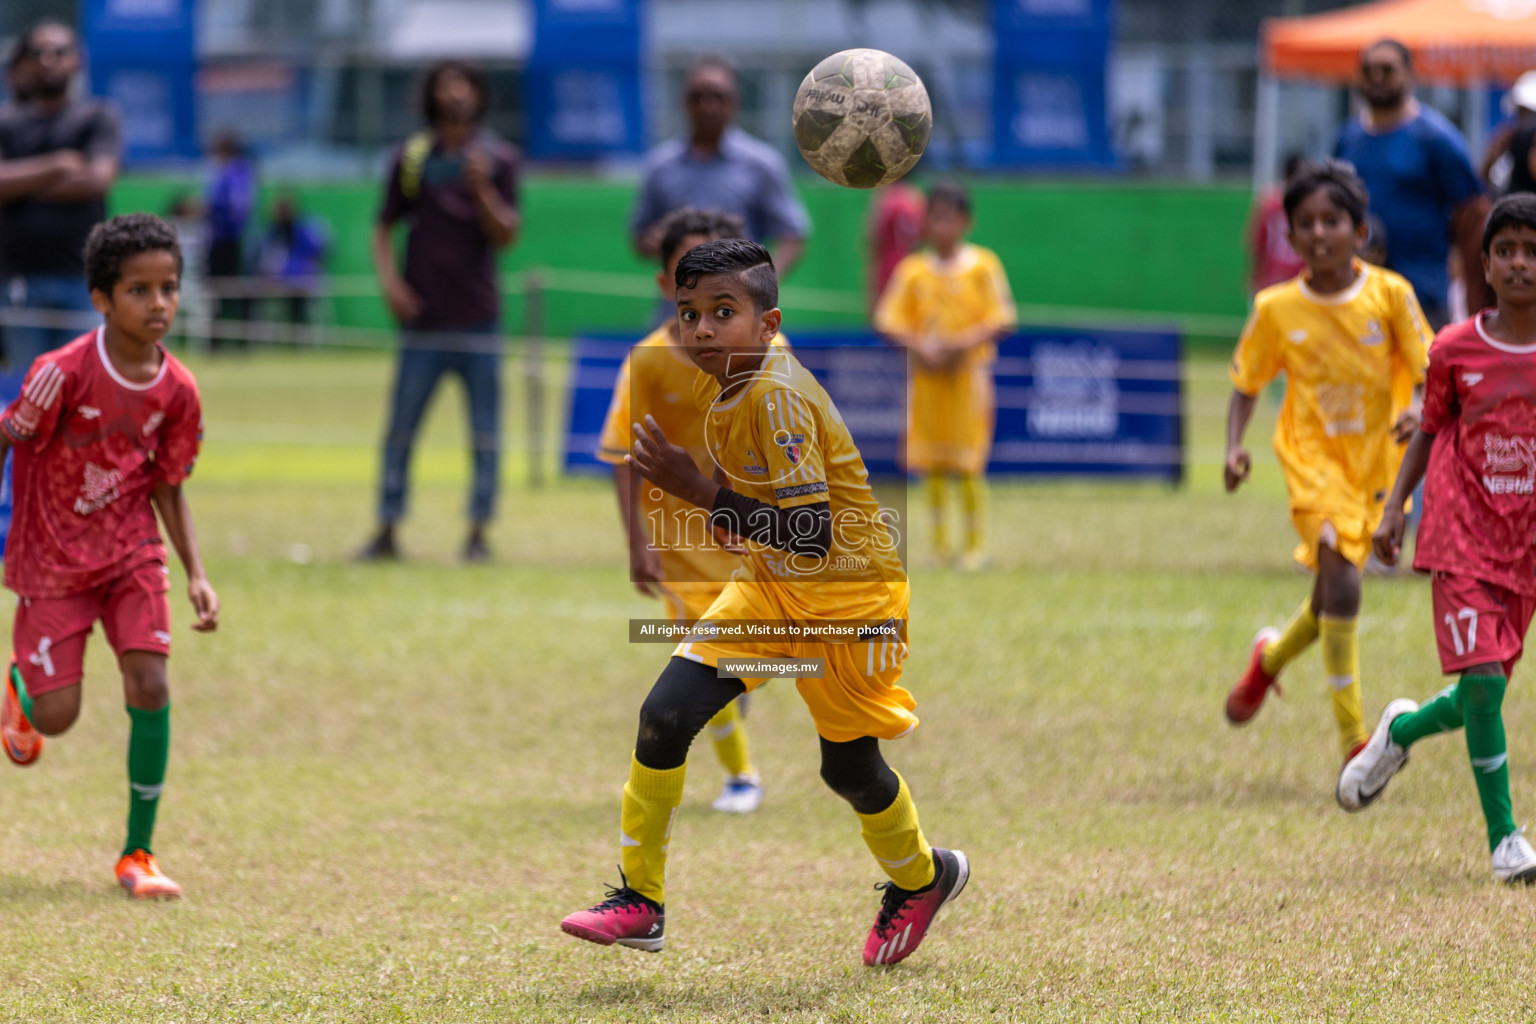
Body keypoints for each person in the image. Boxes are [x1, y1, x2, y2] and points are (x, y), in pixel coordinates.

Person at [559, 239, 967, 966]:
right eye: (689, 314)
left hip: (851, 602)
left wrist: (699, 493)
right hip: (771, 588)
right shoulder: (732, 386)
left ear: (769, 322)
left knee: (848, 770)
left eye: (723, 312)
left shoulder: (777, 395)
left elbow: (811, 535)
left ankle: (925, 877)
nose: (702, 329)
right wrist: (723, 508)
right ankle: (640, 900)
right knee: (664, 715)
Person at [0, 213, 218, 899]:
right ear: (100, 297)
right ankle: (20, 690)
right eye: (139, 290)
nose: (158, 304)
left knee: (150, 684)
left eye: (169, 289)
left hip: (131, 553)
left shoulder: (178, 390)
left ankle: (138, 854)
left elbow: (168, 484)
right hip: (54, 561)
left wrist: (197, 575)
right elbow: (8, 438)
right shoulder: (58, 373)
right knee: (57, 719)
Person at [1337, 193, 1536, 884]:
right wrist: (1395, 509)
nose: (1519, 264)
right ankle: (1506, 840)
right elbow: (1429, 429)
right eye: (1506, 251)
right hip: (1460, 535)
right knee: (1482, 683)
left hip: (1527, 547)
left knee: (1479, 699)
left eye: (1532, 252)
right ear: (1484, 264)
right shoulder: (1454, 348)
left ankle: (1401, 730)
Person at [1222, 159, 1431, 778]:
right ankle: (1355, 742)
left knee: (1331, 591)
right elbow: (1245, 381)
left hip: (1377, 463)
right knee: (1344, 581)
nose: (1319, 233)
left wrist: (1418, 406)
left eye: (1332, 221)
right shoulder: (1277, 307)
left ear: (1359, 230)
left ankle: (1269, 660)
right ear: (1289, 234)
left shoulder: (1390, 295)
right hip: (1312, 464)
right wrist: (1234, 446)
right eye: (1305, 223)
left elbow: (1425, 366)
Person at [596, 207, 777, 814]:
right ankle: (742, 777)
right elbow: (621, 454)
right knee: (708, 657)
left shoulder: (765, 349)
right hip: (683, 547)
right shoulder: (646, 363)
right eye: (687, 274)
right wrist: (637, 545)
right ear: (664, 286)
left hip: (756, 535)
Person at [358, 60, 520, 563]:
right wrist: (391, 284)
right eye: (445, 85)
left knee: (486, 432)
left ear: (477, 95)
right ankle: (386, 528)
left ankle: (478, 533)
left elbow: (508, 234)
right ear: (432, 96)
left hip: (479, 320)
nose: (455, 94)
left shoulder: (499, 159)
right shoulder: (410, 158)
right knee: (401, 428)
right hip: (422, 321)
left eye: (464, 85)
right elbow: (383, 226)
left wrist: (482, 189)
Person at [874, 182, 1017, 571]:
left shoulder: (983, 265)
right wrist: (919, 347)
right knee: (932, 462)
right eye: (933, 217)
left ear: (965, 221)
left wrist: (963, 344)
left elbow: (1003, 318)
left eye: (949, 217)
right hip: (926, 379)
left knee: (968, 463)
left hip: (968, 378)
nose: (940, 226)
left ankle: (974, 547)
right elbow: (887, 319)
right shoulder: (913, 270)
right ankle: (939, 547)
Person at [1335, 39, 1487, 328]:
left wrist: (1461, 265)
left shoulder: (1437, 138)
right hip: (1356, 289)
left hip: (1421, 291)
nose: (1377, 77)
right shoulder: (1347, 137)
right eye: (1368, 70)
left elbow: (1472, 209)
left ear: (1409, 75)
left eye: (1387, 69)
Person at [0, 19, 122, 369]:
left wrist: (19, 186)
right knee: (30, 394)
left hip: (83, 281)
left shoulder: (97, 117)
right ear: (25, 62)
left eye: (59, 52)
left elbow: (97, 180)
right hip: (19, 281)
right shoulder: (7, 125)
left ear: (77, 60)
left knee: (82, 394)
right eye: (39, 52)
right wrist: (58, 165)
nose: (48, 60)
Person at [630, 56, 809, 277]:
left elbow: (792, 235)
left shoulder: (761, 163)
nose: (708, 106)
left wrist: (760, 286)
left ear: (735, 102)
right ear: (683, 102)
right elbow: (640, 239)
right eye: (698, 97)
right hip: (676, 304)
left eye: (718, 96)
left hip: (738, 306)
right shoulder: (661, 165)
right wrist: (653, 241)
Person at [203, 132, 256, 347]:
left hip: (230, 241)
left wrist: (210, 209)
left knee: (231, 289)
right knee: (218, 290)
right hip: (222, 240)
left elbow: (238, 209)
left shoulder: (235, 172)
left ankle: (241, 341)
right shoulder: (226, 172)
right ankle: (219, 341)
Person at [257, 194, 330, 331]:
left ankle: (299, 333)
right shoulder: (273, 232)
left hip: (303, 280)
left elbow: (319, 253)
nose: (280, 215)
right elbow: (266, 258)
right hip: (279, 281)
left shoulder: (304, 229)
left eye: (284, 210)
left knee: (299, 299)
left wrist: (299, 272)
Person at [1248, 155, 1307, 295]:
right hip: (1296, 274)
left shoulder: (1269, 201)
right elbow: (1259, 240)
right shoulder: (1307, 204)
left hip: (1275, 273)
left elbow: (1257, 241)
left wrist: (1256, 272)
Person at [868, 181, 925, 311]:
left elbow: (873, 245)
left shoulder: (883, 199)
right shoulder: (915, 197)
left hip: (895, 275)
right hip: (897, 274)